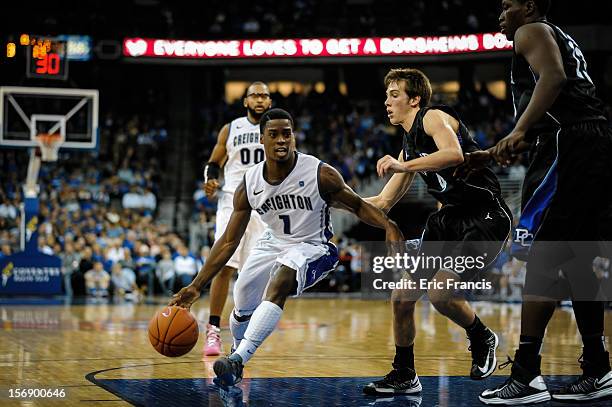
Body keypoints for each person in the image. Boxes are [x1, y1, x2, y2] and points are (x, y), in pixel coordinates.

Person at [170, 108, 403, 387]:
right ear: (262, 140)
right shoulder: (250, 184)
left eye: (287, 134)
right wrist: (197, 285)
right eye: (274, 135)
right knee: (242, 295)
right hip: (272, 242)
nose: (281, 140)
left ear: (294, 137)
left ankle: (238, 359)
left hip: (313, 245)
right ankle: (237, 353)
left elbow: (357, 205)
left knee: (282, 276)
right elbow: (229, 241)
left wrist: (388, 225)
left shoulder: (321, 173)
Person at [476, 0, 612, 404]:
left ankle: (527, 376)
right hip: (587, 142)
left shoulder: (530, 31)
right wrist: (508, 144)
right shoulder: (554, 35)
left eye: (506, 5)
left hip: (570, 147)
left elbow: (552, 78)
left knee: (543, 257)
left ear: (529, 7)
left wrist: (519, 130)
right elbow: (558, 101)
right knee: (575, 258)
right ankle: (598, 369)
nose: (500, 13)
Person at [362, 68, 512, 395]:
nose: (387, 102)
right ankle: (404, 374)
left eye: (394, 95)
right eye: (386, 95)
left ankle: (481, 335)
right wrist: (335, 199)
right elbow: (383, 201)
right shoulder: (408, 145)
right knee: (401, 298)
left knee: (441, 293)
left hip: (483, 217)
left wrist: (404, 166)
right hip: (446, 221)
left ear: (414, 99)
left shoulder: (432, 117)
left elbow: (454, 154)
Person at [201, 81, 272, 356]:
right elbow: (213, 162)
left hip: (263, 206)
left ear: (269, 102)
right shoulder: (231, 129)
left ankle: (241, 335)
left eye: (264, 96)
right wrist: (210, 180)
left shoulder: (276, 128)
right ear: (245, 101)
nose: (259, 99)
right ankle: (213, 329)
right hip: (231, 201)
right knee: (223, 265)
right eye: (254, 95)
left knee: (253, 273)